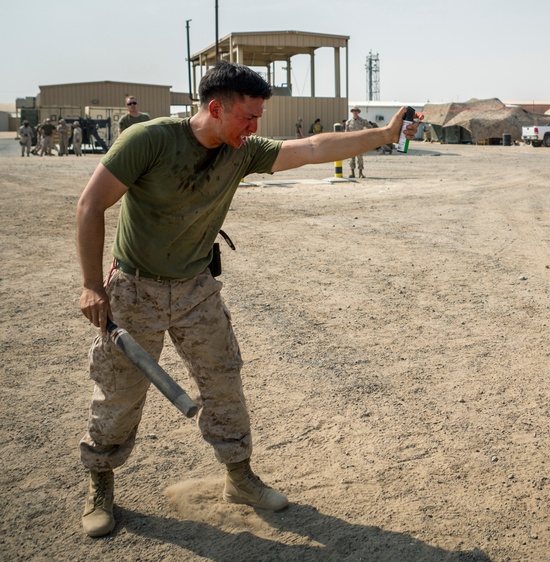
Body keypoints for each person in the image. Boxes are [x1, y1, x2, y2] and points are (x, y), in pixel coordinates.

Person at [75, 60, 419, 538]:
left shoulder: (243, 149)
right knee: (119, 393)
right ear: (215, 108)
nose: (255, 128)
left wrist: (382, 134)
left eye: (259, 118)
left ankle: (239, 476)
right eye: (248, 117)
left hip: (197, 288)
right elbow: (91, 205)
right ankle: (100, 483)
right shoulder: (149, 140)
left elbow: (314, 146)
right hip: (136, 289)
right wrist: (93, 285)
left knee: (224, 382)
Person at [345, 107, 373, 178]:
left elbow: (370, 128)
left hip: (359, 142)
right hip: (351, 143)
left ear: (358, 112)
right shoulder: (348, 122)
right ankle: (352, 173)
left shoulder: (362, 121)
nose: (355, 112)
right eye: (354, 111)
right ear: (352, 112)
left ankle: (361, 173)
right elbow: (346, 133)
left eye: (356, 111)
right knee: (351, 158)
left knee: (360, 157)